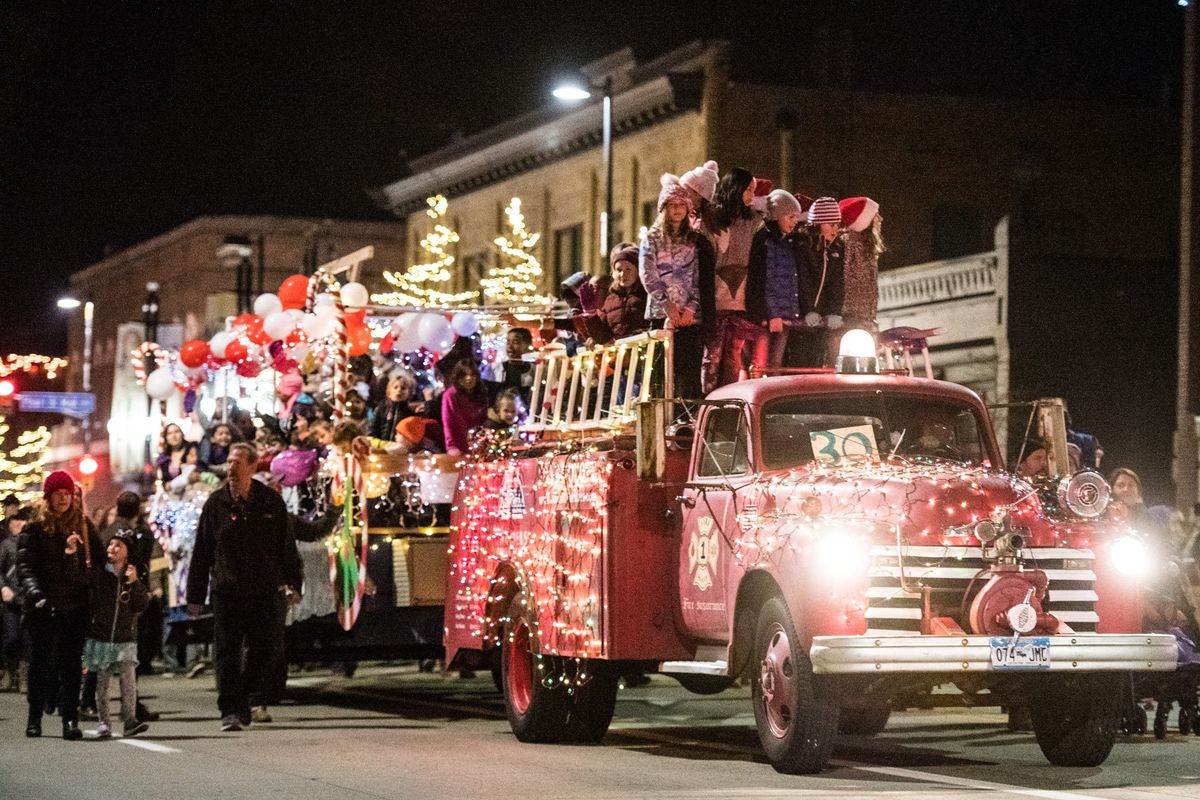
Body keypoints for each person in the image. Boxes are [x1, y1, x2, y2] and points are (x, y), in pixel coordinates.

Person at [187, 443, 302, 731]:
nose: (231, 468)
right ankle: (230, 710)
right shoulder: (216, 504)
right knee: (227, 651)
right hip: (228, 590)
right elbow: (202, 551)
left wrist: (293, 581)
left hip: (263, 590)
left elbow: (286, 547)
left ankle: (246, 697)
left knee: (265, 649)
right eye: (228, 462)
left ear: (252, 467)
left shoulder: (270, 503)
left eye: (238, 463)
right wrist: (195, 594)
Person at [16, 471, 102, 739]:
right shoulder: (35, 528)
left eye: (67, 493)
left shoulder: (84, 526)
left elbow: (97, 565)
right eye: (58, 494)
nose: (64, 498)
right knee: (40, 664)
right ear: (49, 497)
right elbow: (25, 567)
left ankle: (70, 719)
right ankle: (34, 718)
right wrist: (36, 595)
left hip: (74, 607)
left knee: (71, 665)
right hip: (42, 606)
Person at [640, 172, 715, 399]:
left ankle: (687, 418)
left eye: (681, 205)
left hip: (689, 317)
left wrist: (691, 307)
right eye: (672, 205)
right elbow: (648, 273)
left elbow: (696, 277)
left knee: (688, 370)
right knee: (661, 371)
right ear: (663, 208)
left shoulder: (693, 240)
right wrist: (667, 305)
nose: (677, 210)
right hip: (661, 314)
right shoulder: (652, 238)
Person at [84, 530, 150, 739]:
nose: (112, 548)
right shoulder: (99, 573)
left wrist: (135, 583)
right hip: (102, 636)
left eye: (118, 545)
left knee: (128, 681)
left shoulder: (131, 575)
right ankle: (104, 722)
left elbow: (140, 605)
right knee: (102, 683)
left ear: (128, 552)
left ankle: (130, 720)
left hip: (125, 638)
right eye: (111, 544)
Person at [703, 167, 762, 391]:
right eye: (748, 190)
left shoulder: (754, 222)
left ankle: (727, 400)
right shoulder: (713, 219)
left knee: (733, 356)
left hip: (741, 302)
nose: (751, 196)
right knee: (712, 356)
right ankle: (708, 401)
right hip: (717, 300)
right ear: (735, 189)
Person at [747, 190, 805, 369]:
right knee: (760, 363)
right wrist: (773, 314)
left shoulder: (788, 243)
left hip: (784, 316)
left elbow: (791, 280)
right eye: (790, 216)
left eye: (796, 217)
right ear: (777, 216)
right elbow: (769, 280)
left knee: (776, 363)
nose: (794, 221)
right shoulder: (768, 243)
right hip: (770, 317)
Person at [796, 196, 846, 367]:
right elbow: (803, 280)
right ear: (818, 224)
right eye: (831, 225)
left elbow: (837, 283)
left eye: (838, 225)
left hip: (822, 319)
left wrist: (833, 311)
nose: (836, 229)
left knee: (819, 361)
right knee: (801, 361)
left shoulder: (836, 248)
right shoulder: (803, 246)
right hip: (802, 320)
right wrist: (808, 310)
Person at [838, 197, 883, 331]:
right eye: (875, 215)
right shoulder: (850, 243)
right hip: (850, 318)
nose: (880, 219)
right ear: (864, 221)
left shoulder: (866, 244)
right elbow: (846, 278)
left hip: (864, 318)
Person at [590, 242, 648, 344]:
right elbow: (602, 334)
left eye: (628, 269)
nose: (623, 274)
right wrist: (589, 314)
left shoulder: (647, 294)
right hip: (619, 356)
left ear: (638, 270)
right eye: (619, 270)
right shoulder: (610, 299)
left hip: (644, 350)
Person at [0, 507, 31, 692]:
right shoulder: (5, 545)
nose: (18, 525)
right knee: (11, 637)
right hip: (11, 600)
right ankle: (10, 672)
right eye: (15, 522)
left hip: (27, 598)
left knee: (27, 640)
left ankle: (24, 675)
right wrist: (3, 587)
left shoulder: (31, 544)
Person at [441, 361, 489, 456]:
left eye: (472, 375)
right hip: (459, 448)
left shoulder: (481, 393)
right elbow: (448, 423)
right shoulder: (450, 395)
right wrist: (451, 446)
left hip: (481, 447)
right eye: (464, 375)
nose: (469, 378)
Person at [370, 369, 418, 441]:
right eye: (395, 387)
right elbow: (373, 429)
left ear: (409, 393)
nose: (399, 390)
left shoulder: (409, 413)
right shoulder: (381, 408)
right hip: (380, 445)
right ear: (389, 391)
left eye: (403, 388)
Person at [157, 422, 198, 488]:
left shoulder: (192, 449)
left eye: (176, 432)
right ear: (166, 438)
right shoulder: (164, 457)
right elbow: (164, 480)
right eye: (169, 433)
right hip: (173, 494)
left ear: (182, 433)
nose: (174, 435)